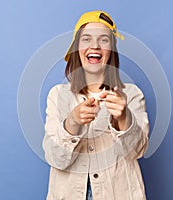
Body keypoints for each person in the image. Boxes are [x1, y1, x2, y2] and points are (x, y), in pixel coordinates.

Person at [42, 10, 149, 200]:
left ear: (112, 51)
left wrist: (124, 118)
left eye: (104, 40)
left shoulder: (131, 94)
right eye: (86, 39)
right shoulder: (57, 96)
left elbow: (138, 151)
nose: (95, 46)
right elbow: (55, 158)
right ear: (76, 48)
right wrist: (72, 123)